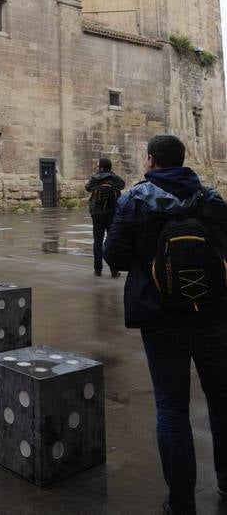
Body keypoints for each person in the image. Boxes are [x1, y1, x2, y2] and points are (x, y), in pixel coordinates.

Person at [104, 135, 227, 515]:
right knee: (222, 401)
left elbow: (113, 253)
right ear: (183, 159)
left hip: (160, 317)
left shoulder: (135, 201)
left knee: (172, 408)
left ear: (152, 160)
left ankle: (181, 502)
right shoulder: (211, 199)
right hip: (212, 314)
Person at [85, 157, 125, 277]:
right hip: (111, 213)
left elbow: (87, 187)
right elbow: (122, 185)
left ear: (101, 167)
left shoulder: (95, 178)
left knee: (97, 241)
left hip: (97, 213)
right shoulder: (114, 178)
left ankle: (98, 270)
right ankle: (114, 270)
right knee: (112, 241)